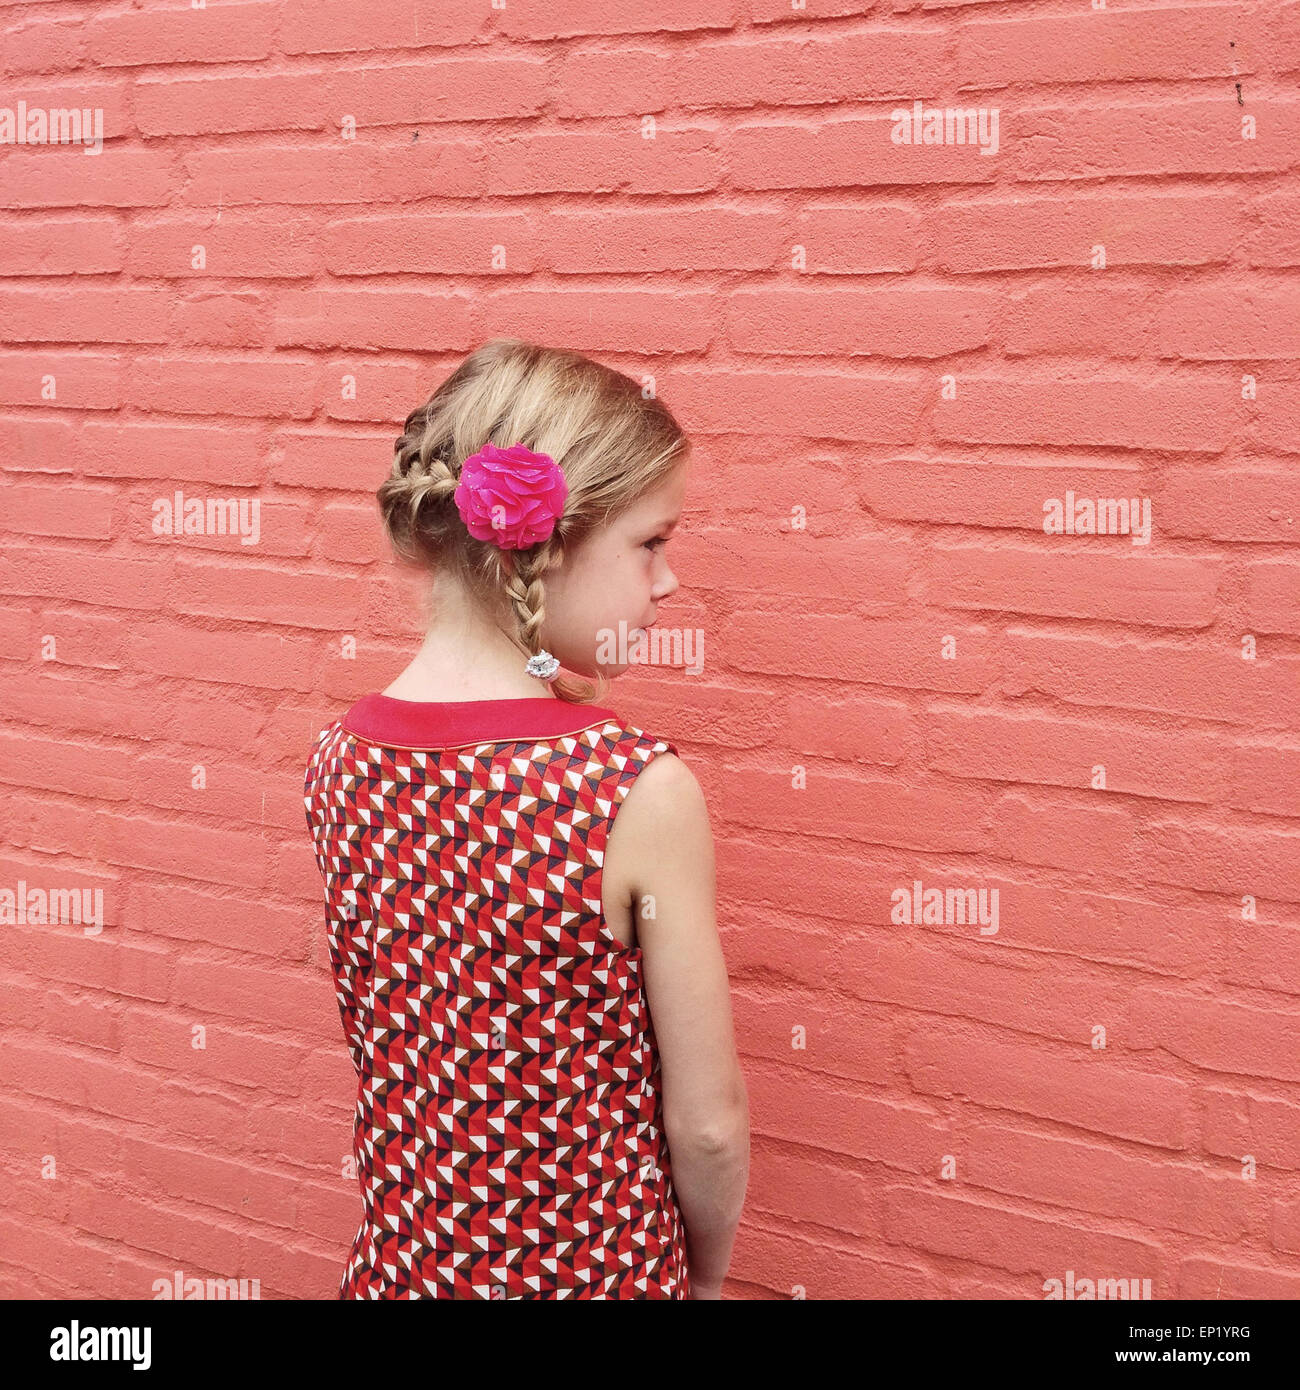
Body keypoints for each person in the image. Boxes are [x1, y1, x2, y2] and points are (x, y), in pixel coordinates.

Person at [303, 338, 748, 1299]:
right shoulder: (629, 790)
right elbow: (707, 1123)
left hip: (405, 1276)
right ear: (545, 543)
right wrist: (706, 1281)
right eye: (651, 542)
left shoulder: (341, 761)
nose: (667, 582)